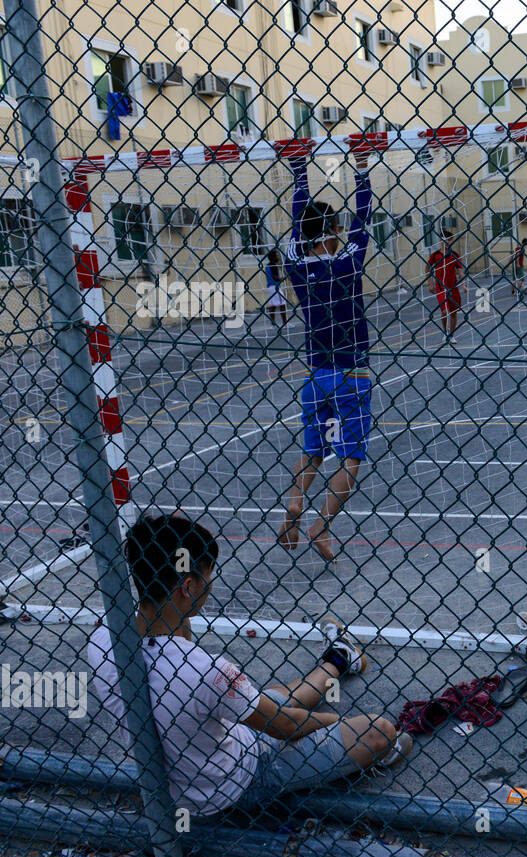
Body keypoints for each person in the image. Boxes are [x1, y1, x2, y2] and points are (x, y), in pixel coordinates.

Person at [88, 514, 411, 820]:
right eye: (208, 575)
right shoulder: (206, 670)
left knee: (260, 700)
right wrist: (333, 723)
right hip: (238, 782)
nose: (210, 584)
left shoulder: (103, 637)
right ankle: (346, 697)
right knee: (378, 731)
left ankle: (339, 659)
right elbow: (286, 726)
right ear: (187, 586)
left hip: (175, 776)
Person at [277, 146, 374, 562]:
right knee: (350, 458)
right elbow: (364, 216)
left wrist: (300, 169)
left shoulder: (296, 261)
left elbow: (301, 220)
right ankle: (321, 525)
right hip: (353, 374)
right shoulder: (349, 262)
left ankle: (297, 500)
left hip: (315, 375)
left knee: (313, 449)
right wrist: (362, 169)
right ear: (333, 228)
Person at [427, 230, 464, 344]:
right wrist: (430, 283)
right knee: (444, 311)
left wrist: (464, 285)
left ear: (451, 241)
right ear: (441, 241)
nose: (446, 242)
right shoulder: (435, 255)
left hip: (453, 288)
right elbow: (428, 268)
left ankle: (451, 335)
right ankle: (445, 332)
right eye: (444, 240)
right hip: (441, 287)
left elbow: (460, 271)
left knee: (453, 313)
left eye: (449, 240)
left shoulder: (455, 254)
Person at [265, 247, 288, 325]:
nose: (278, 257)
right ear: (273, 257)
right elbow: (275, 277)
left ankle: (273, 322)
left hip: (270, 288)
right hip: (275, 287)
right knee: (282, 304)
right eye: (277, 255)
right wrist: (284, 278)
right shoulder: (273, 265)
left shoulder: (268, 265)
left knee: (273, 305)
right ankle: (284, 322)